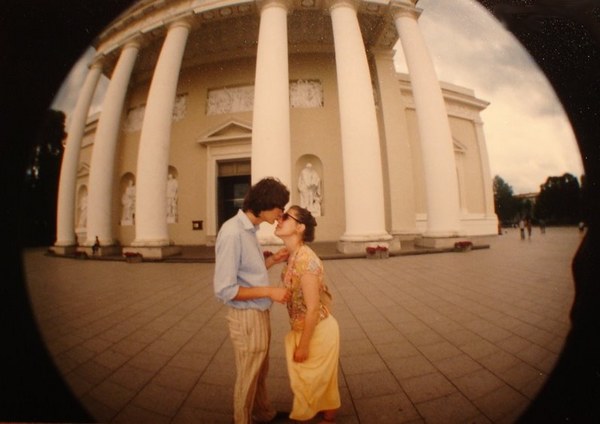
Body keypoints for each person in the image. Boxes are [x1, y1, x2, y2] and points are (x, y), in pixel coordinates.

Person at [213, 177, 291, 424]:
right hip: (247, 317)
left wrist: (273, 260)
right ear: (266, 203)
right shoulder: (232, 233)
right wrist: (269, 292)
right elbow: (225, 289)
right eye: (280, 207)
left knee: (259, 371)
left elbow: (246, 274)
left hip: (257, 312)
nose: (281, 214)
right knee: (248, 375)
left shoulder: (248, 230)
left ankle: (263, 413)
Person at [274, 205, 340, 423]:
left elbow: (312, 308)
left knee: (315, 382)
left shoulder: (306, 260)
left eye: (285, 217)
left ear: (300, 227)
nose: (279, 219)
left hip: (317, 331)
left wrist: (303, 345)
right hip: (302, 328)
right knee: (309, 382)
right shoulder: (292, 255)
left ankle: (328, 418)